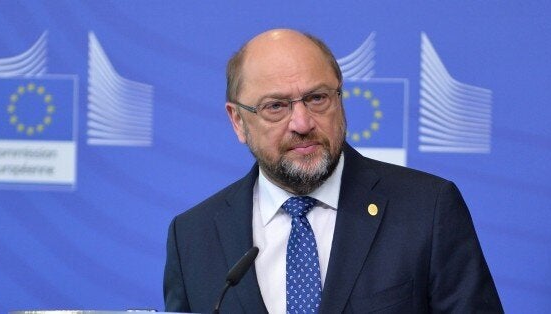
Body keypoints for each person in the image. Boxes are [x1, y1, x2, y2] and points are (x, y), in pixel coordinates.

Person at [163, 28, 503, 313]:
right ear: (238, 121)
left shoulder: (427, 210)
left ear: (339, 98)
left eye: (317, 98)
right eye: (276, 106)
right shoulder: (193, 235)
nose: (302, 123)